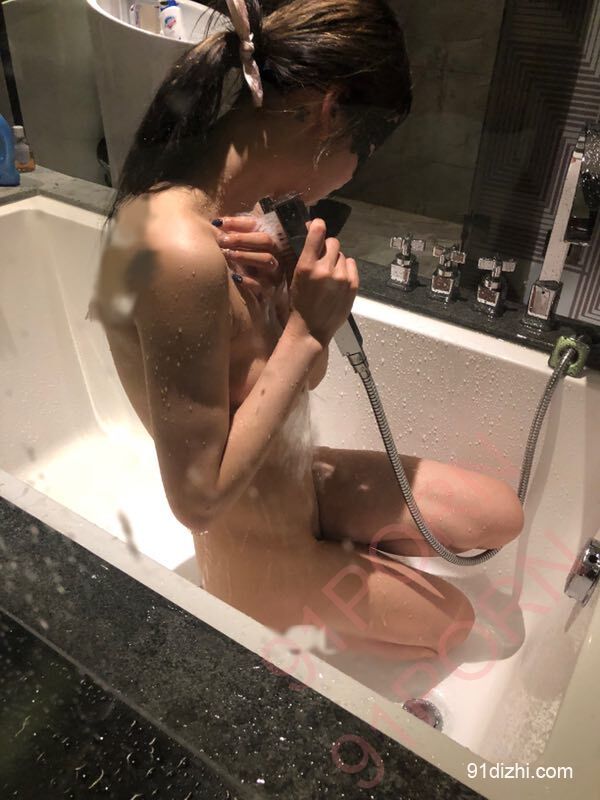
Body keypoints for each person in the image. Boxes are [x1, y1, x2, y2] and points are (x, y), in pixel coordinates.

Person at [92, 0, 524, 661]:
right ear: (331, 112)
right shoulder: (176, 248)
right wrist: (304, 330)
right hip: (254, 552)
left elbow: (303, 379)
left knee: (498, 515)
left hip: (299, 483)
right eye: (365, 150)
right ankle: (303, 633)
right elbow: (196, 502)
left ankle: (346, 566)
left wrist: (286, 306)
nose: (355, 172)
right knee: (456, 625)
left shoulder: (241, 218)